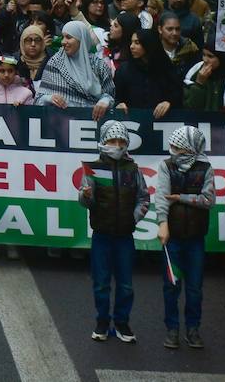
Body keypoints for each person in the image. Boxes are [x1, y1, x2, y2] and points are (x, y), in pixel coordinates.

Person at [80, 120, 149, 344]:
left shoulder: (133, 169)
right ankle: (102, 321)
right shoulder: (92, 168)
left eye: (121, 141)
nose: (117, 145)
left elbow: (143, 198)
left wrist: (134, 217)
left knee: (126, 283)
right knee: (101, 282)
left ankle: (122, 322)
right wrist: (86, 195)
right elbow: (84, 201)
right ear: (103, 142)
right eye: (112, 140)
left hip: (125, 236)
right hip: (101, 235)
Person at [156, 126, 213, 351]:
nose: (174, 151)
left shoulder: (206, 168)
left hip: (196, 239)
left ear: (190, 148)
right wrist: (163, 223)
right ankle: (172, 328)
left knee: (195, 288)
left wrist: (181, 197)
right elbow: (162, 197)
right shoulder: (166, 166)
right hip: (173, 239)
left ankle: (193, 329)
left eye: (179, 147)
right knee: (171, 285)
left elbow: (209, 200)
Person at [36, 21, 115, 117]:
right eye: (63, 37)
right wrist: (50, 98)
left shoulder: (99, 65)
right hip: (61, 123)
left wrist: (104, 101)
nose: (63, 42)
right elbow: (38, 99)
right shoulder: (55, 63)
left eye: (68, 37)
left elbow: (111, 96)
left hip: (92, 123)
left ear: (81, 39)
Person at [115, 28, 181, 119]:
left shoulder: (166, 68)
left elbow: (177, 93)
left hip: (160, 121)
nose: (131, 46)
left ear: (148, 44)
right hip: (131, 121)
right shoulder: (124, 69)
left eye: (137, 43)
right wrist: (118, 104)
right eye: (131, 42)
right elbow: (115, 96)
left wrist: (169, 102)